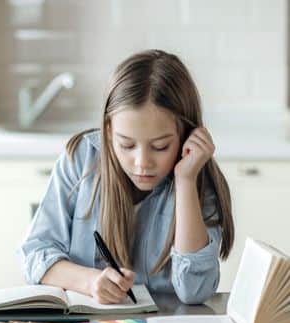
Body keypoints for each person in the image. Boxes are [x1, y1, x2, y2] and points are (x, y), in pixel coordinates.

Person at [17, 49, 234, 305]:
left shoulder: (196, 177)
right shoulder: (82, 159)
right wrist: (90, 281)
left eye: (160, 146)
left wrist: (185, 181)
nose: (142, 163)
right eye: (127, 145)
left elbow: (194, 291)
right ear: (109, 131)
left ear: (186, 135)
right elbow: (35, 254)